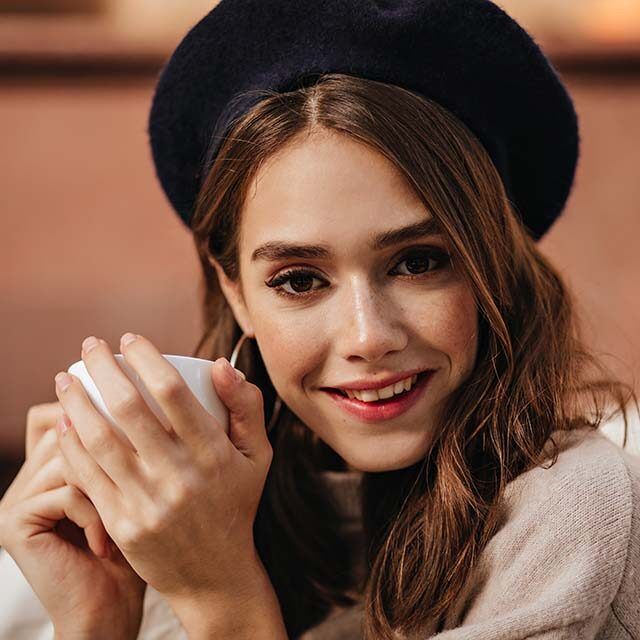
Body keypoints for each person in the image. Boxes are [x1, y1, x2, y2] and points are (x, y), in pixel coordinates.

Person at [1, 1, 639, 639]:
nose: (367, 337)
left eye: (418, 262)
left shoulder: (573, 508)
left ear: (491, 266)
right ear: (236, 294)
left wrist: (221, 596)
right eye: (300, 280)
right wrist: (96, 620)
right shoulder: (202, 524)